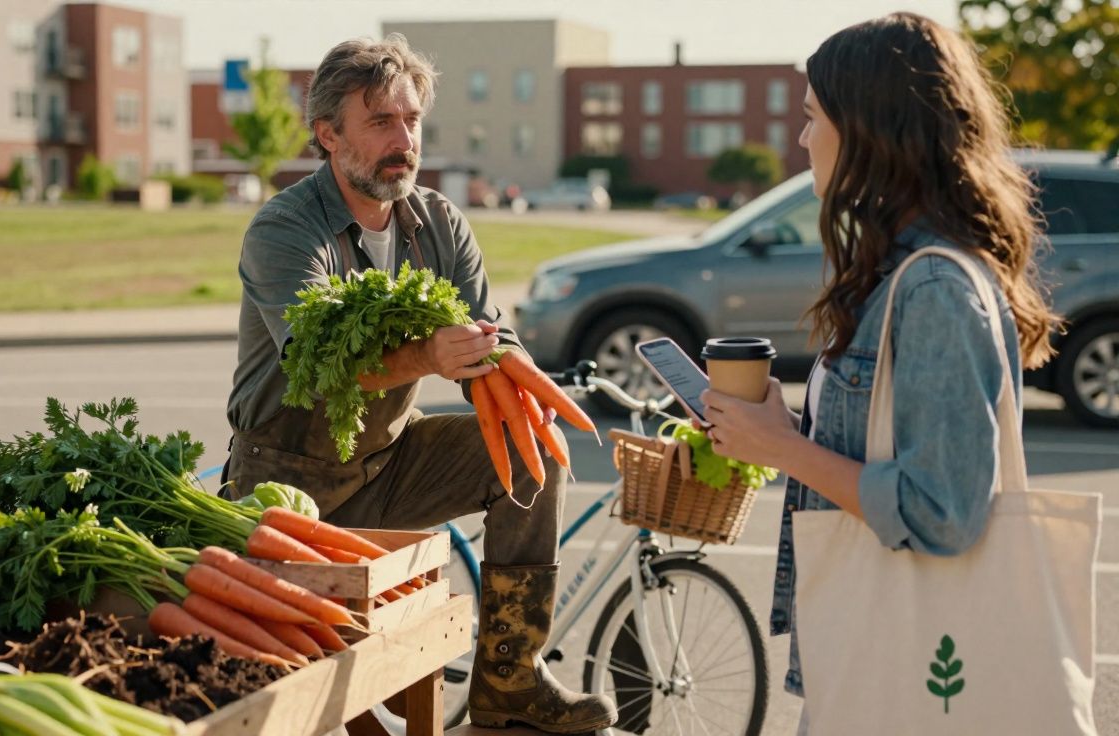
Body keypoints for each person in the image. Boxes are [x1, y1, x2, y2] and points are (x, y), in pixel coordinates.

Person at [224, 34, 616, 734]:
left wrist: (504, 367)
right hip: (286, 483)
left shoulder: (440, 224)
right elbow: (317, 362)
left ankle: (509, 683)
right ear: (327, 134)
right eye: (380, 122)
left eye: (411, 121)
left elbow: (493, 335)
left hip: (389, 460)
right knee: (347, 699)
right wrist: (430, 356)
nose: (404, 139)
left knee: (534, 448)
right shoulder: (284, 230)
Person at [693, 12, 1060, 733]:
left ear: (868, 129)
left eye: (811, 117)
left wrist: (784, 449)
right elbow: (890, 452)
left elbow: (943, 510)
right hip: (877, 659)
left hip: (913, 674)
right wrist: (779, 431)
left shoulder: (934, 289)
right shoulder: (902, 273)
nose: (800, 139)